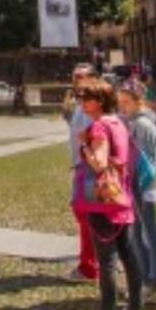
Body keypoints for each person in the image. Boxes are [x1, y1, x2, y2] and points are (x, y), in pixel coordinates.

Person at [71, 81, 146, 310]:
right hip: (121, 196)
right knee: (129, 254)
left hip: (101, 200)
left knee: (107, 261)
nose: (82, 102)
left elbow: (100, 163)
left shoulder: (100, 126)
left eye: (87, 98)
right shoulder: (119, 123)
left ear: (100, 101)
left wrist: (84, 147)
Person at [119, 84, 156, 292]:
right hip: (135, 183)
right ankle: (143, 273)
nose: (122, 107)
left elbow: (146, 159)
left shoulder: (143, 124)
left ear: (138, 101)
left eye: (126, 102)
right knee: (137, 230)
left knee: (148, 230)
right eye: (119, 103)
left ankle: (153, 277)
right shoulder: (132, 121)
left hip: (143, 183)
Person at [62, 64, 99, 283]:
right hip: (81, 165)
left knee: (87, 216)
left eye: (83, 76)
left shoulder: (93, 104)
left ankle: (90, 267)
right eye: (76, 77)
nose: (78, 80)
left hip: (90, 166)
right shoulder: (80, 103)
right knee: (83, 214)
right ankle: (94, 261)